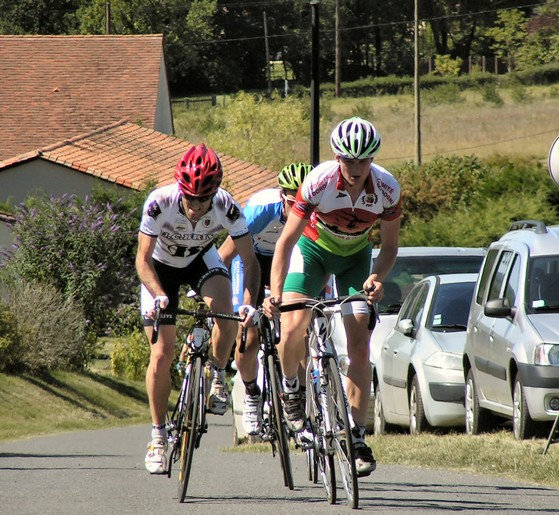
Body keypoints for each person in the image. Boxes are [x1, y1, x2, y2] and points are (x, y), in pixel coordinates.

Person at [263, 116, 402, 477]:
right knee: (293, 325)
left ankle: (356, 435)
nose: (355, 168)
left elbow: (389, 248)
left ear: (373, 159)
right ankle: (291, 389)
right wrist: (276, 294)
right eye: (348, 160)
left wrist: (376, 278)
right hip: (311, 253)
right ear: (337, 157)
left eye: (363, 161)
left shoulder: (388, 190)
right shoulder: (319, 181)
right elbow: (286, 241)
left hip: (356, 260)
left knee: (359, 342)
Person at [136, 143, 259, 474]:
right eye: (189, 197)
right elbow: (142, 260)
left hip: (199, 260)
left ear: (215, 192)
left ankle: (217, 371)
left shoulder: (227, 207)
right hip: (159, 269)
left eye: (202, 199)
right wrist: (159, 295)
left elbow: (249, 261)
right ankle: (158, 437)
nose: (195, 205)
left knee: (228, 314)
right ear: (180, 188)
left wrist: (248, 305)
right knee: (162, 352)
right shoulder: (159, 202)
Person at [230, 162, 313, 435]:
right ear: (281, 197)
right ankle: (252, 393)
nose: (297, 209)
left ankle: (296, 395)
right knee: (248, 333)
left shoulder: (314, 214)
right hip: (251, 262)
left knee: (297, 329)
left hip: (287, 261)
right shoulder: (261, 210)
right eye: (292, 202)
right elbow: (229, 252)